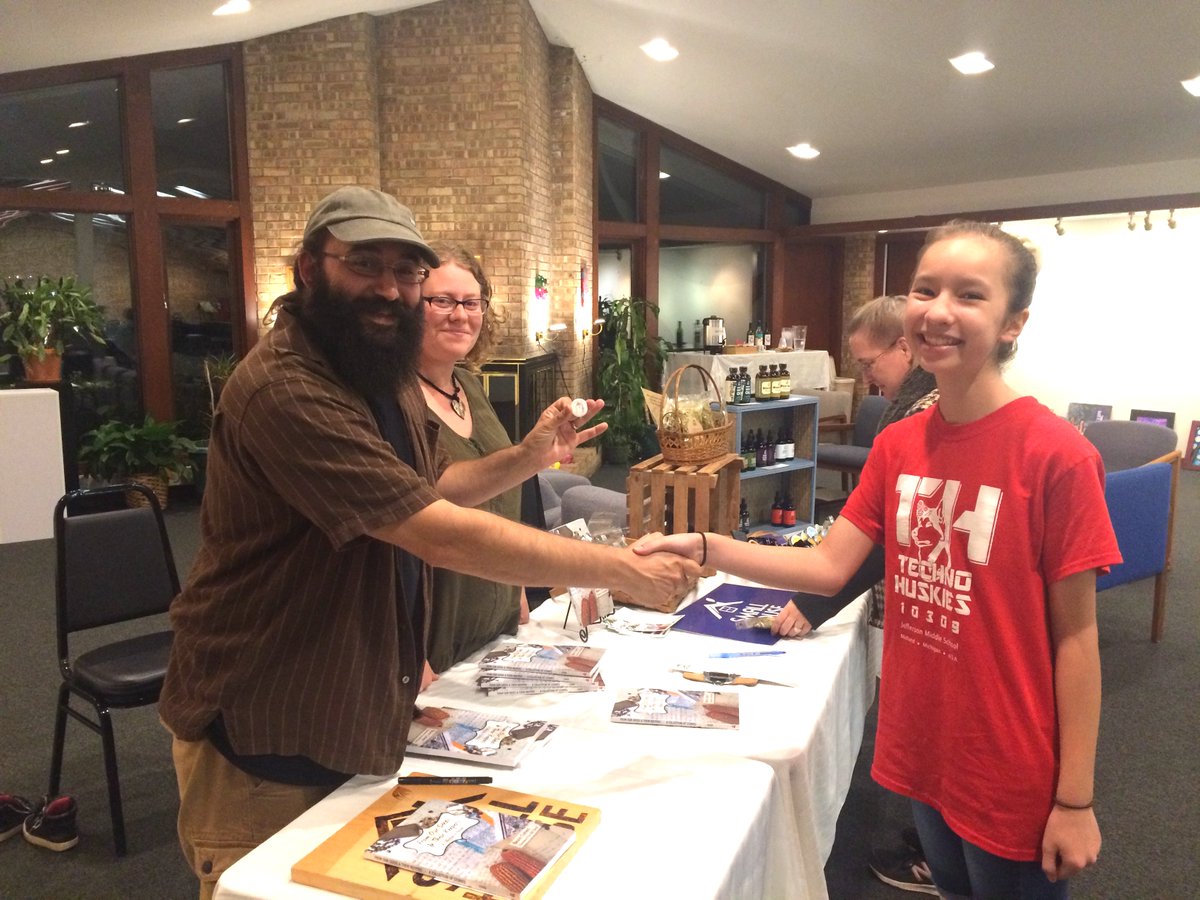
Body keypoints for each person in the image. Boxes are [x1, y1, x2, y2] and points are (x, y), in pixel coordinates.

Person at [159, 186, 699, 898]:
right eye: (364, 264)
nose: (389, 288)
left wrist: (528, 456)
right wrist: (620, 569)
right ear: (310, 267)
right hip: (265, 719)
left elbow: (434, 485)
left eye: (406, 271)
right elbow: (432, 532)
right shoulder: (284, 386)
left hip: (351, 703)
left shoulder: (378, 373)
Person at [635, 221, 1119, 899]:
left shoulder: (1057, 455)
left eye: (970, 295)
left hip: (1008, 761)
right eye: (926, 289)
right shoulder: (902, 444)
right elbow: (831, 566)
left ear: (1013, 323)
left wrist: (1075, 800)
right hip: (924, 740)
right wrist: (710, 549)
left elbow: (1077, 638)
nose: (939, 310)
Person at [790, 294, 941, 893]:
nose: (865, 378)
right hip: (914, 599)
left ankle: (923, 852)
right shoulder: (909, 407)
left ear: (905, 347)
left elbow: (883, 536)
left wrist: (812, 601)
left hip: (921, 606)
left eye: (870, 362)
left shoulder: (920, 417)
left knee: (915, 727)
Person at [415, 243, 530, 675]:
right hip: (436, 635)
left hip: (496, 620)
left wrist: (515, 583)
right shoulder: (393, 399)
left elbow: (499, 493)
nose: (459, 314)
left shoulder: (470, 385)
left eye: (471, 302)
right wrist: (404, 649)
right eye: (441, 300)